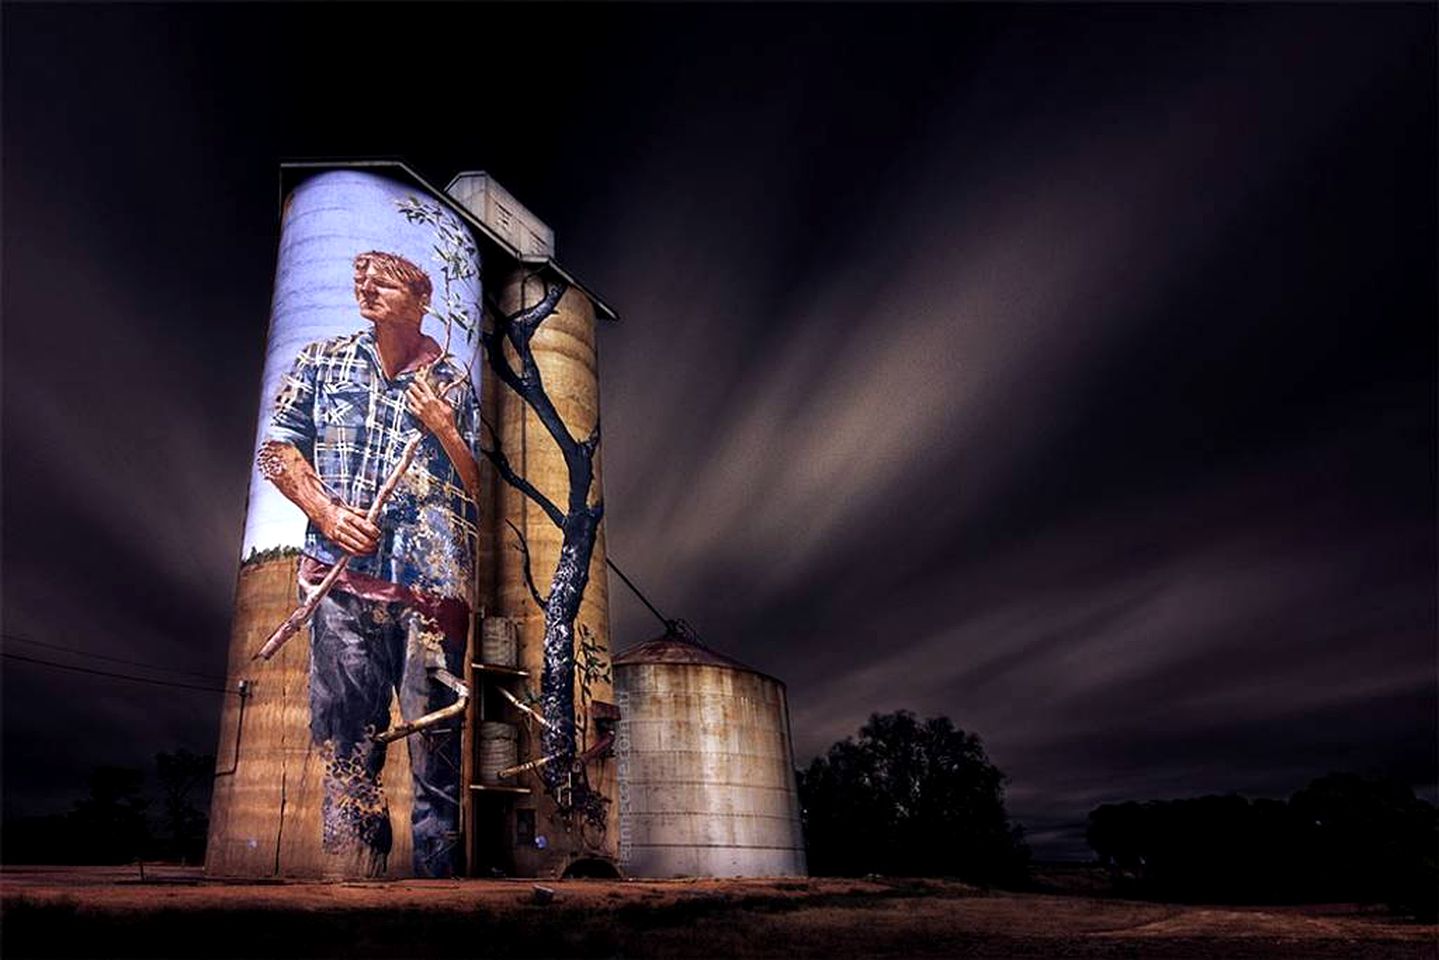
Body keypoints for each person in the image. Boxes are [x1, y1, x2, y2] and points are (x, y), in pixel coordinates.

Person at [257, 250, 481, 878]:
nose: (366, 289)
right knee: (347, 749)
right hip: (339, 587)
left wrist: (443, 428)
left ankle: (439, 896)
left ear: (421, 300)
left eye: (383, 282)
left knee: (437, 755)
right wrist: (326, 514)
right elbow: (276, 452)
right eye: (361, 280)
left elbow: (478, 487)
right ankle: (353, 894)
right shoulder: (322, 361)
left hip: (430, 598)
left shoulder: (456, 383)